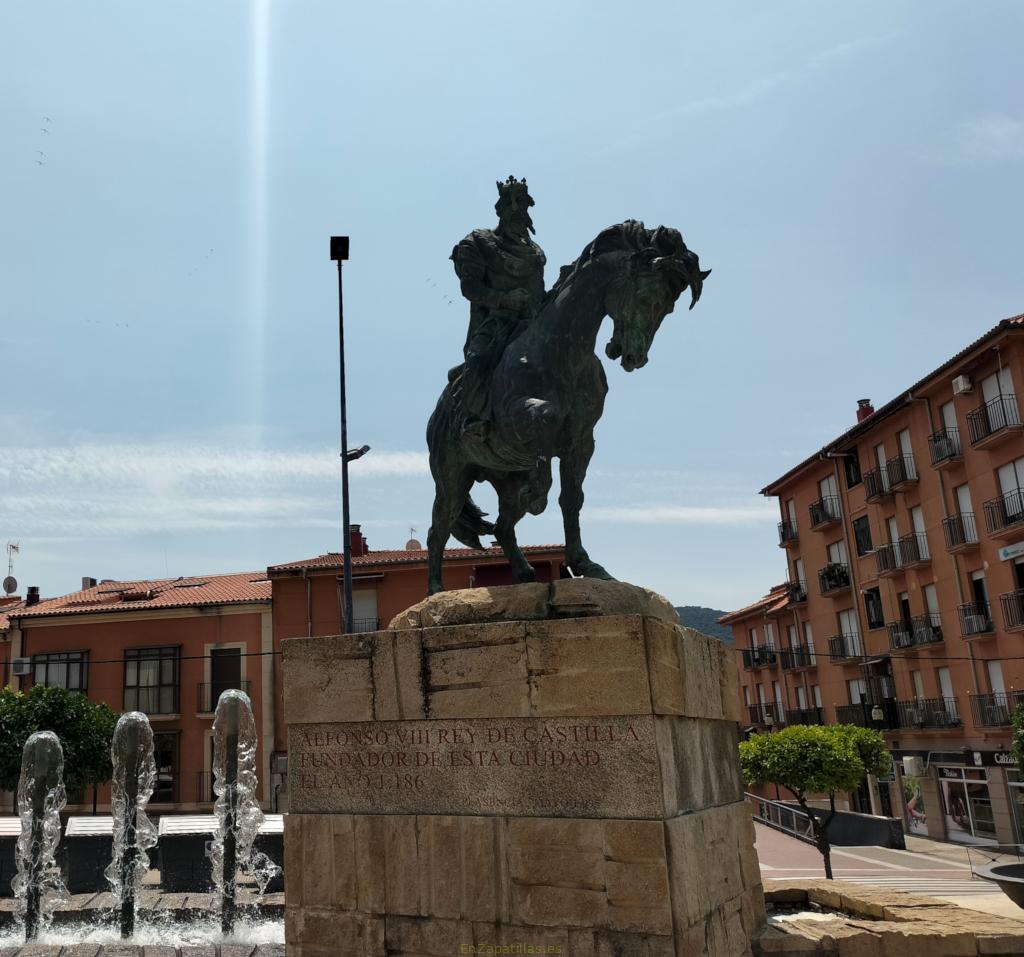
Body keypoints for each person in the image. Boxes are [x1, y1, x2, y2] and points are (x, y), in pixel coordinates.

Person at [450, 176, 546, 438]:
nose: (517, 212)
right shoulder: (479, 242)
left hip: (534, 327)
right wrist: (505, 299)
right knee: (480, 359)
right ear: (500, 210)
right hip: (497, 324)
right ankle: (474, 417)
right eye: (511, 207)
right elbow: (470, 288)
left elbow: (540, 292)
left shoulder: (536, 252)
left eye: (523, 207)